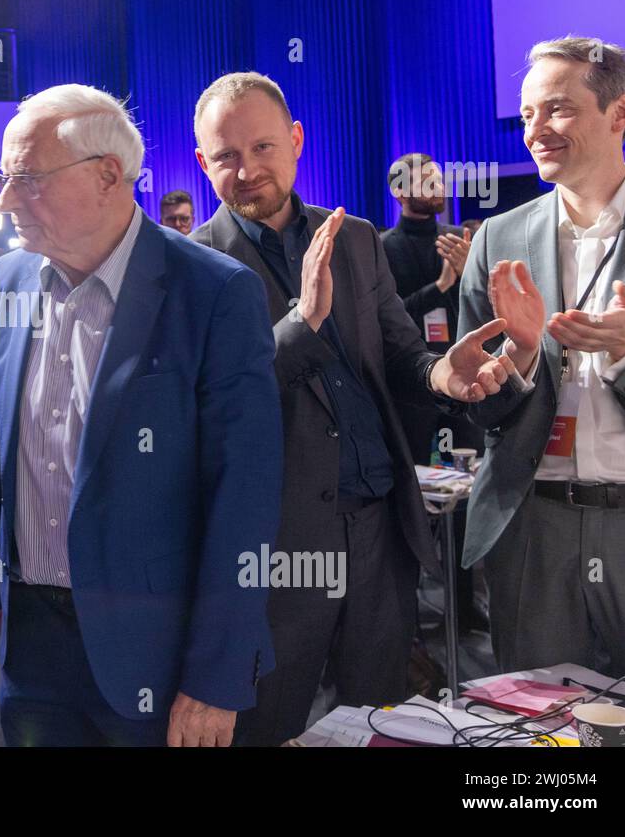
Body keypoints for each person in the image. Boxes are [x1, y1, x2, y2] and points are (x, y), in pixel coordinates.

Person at [188, 71, 514, 746]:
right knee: (266, 726)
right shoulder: (191, 266)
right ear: (202, 163)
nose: (247, 169)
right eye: (226, 156)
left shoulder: (357, 238)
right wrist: (303, 322)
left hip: (379, 532)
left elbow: (399, 355)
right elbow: (213, 397)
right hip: (277, 550)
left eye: (263, 147)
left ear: (297, 140)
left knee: (380, 725)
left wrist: (442, 377)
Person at [0, 84, 283, 747]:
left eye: (27, 179)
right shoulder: (9, 280)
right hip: (29, 643)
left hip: (154, 653)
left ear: (109, 174)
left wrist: (216, 676)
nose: (3, 201)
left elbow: (243, 497)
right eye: (3, 178)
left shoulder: (214, 291)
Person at [458, 37, 625, 678]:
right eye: (528, 113)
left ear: (620, 113)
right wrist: (516, 361)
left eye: (558, 109)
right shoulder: (498, 237)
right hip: (534, 526)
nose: (535, 130)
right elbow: (475, 403)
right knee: (536, 732)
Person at [381, 152, 486, 632]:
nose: (435, 182)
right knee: (415, 507)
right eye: (423, 178)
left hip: (462, 395)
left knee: (465, 505)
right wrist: (442, 284)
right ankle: (406, 618)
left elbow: (487, 318)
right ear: (400, 193)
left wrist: (468, 282)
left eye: (437, 175)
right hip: (413, 396)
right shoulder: (384, 248)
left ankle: (464, 609)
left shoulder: (465, 243)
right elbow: (391, 322)